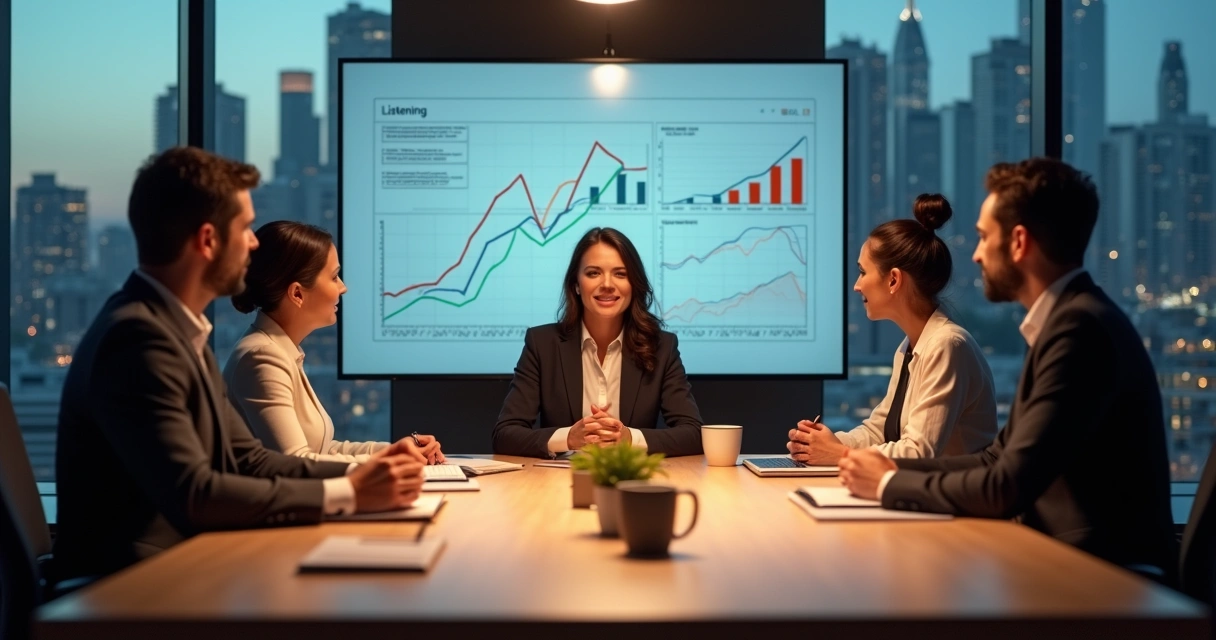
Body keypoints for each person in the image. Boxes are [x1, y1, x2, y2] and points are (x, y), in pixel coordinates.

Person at [54, 148, 427, 581]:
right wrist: (349, 492)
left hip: (182, 567)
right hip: (134, 585)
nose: (254, 243)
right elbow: (195, 494)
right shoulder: (138, 339)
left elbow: (249, 460)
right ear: (208, 240)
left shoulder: (179, 331)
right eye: (246, 228)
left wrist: (368, 477)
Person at [838, 158, 1176, 576]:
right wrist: (889, 469)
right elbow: (994, 458)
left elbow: (1007, 484)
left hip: (1101, 574)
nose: (976, 255)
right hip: (1065, 558)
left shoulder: (1078, 329)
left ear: (1018, 242)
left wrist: (889, 483)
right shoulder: (1066, 321)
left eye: (983, 237)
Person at [786, 194, 997, 464]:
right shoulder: (912, 345)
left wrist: (840, 454)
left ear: (894, 280)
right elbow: (880, 431)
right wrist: (823, 443)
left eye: (863, 272)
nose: (857, 285)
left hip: (955, 501)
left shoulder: (947, 344)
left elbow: (918, 453)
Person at [224, 221, 444, 464]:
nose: (343, 287)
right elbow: (298, 463)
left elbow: (322, 451)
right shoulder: (262, 358)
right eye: (334, 276)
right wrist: (389, 463)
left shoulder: (278, 351)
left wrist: (395, 452)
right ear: (297, 294)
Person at [492, 227, 702, 458]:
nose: (607, 284)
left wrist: (629, 439)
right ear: (575, 284)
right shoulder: (542, 344)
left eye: (620, 274)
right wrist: (569, 438)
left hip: (631, 480)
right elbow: (505, 435)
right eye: (593, 273)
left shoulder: (662, 346)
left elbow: (693, 434)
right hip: (558, 483)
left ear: (634, 285)